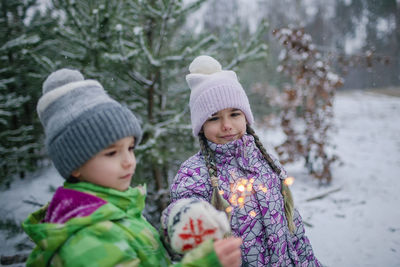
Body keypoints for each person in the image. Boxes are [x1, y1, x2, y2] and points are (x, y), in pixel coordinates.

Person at [22, 68, 242, 267]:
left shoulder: (117, 210)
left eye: (130, 148)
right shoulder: (87, 238)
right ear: (75, 164)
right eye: (111, 152)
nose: (128, 161)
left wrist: (171, 240)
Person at [161, 55, 321, 266]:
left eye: (234, 114)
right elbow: (183, 211)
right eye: (214, 118)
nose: (227, 125)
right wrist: (183, 217)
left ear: (245, 116)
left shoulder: (266, 162)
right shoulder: (194, 174)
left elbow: (294, 230)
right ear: (201, 126)